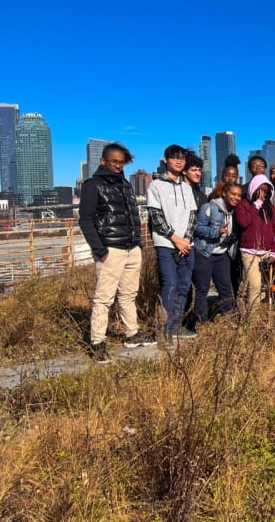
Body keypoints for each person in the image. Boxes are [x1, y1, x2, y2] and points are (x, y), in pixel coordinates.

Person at [79, 142, 153, 363]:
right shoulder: (93, 185)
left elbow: (131, 215)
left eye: (121, 162)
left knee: (129, 294)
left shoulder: (125, 184)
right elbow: (85, 220)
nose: (118, 166)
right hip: (111, 249)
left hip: (131, 248)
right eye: (114, 162)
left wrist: (137, 244)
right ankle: (97, 342)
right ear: (103, 161)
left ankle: (132, 333)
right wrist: (100, 250)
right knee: (104, 299)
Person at [147, 144, 198, 341]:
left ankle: (176, 325)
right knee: (170, 284)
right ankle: (163, 329)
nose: (179, 161)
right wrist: (176, 239)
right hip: (166, 244)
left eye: (182, 158)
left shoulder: (187, 187)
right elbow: (156, 216)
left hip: (186, 245)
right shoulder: (156, 185)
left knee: (184, 286)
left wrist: (187, 239)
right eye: (175, 157)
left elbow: (192, 216)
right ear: (165, 160)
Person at [192, 182, 241, 323]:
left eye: (239, 195)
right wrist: (216, 232)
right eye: (233, 194)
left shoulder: (234, 212)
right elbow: (197, 228)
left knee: (225, 287)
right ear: (224, 193)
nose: (237, 198)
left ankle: (229, 318)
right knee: (202, 289)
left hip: (222, 254)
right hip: (204, 253)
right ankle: (201, 320)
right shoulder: (209, 207)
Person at [235, 174, 275, 311]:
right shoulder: (243, 205)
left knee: (265, 286)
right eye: (260, 190)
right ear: (253, 188)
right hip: (249, 251)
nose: (263, 194)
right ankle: (252, 318)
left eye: (266, 191)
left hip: (267, 252)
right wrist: (255, 206)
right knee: (254, 285)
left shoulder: (270, 208)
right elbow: (243, 222)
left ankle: (261, 314)